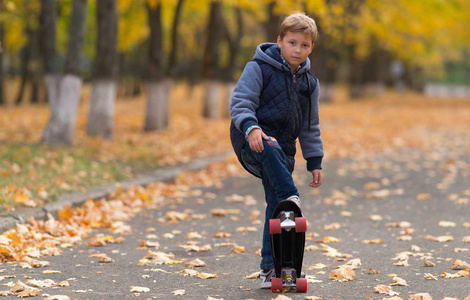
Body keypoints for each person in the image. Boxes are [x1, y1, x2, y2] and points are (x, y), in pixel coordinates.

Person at [229, 12, 324, 289]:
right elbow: (240, 103)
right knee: (284, 197)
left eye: (304, 45)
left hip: (282, 153)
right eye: (292, 43)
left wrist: (314, 160)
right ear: (280, 41)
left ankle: (271, 270)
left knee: (277, 210)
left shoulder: (310, 83)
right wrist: (251, 128)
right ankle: (291, 195)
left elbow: (310, 126)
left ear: (311, 48)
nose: (298, 50)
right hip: (251, 140)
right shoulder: (258, 68)